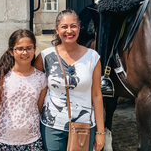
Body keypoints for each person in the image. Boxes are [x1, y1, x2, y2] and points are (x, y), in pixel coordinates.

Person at [34, 9, 105, 151]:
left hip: (83, 126)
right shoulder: (46, 56)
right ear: (57, 30)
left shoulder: (93, 57)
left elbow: (97, 95)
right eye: (64, 27)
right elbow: (33, 85)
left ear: (79, 28)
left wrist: (100, 131)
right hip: (52, 126)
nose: (69, 31)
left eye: (73, 26)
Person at [0, 29, 48, 151]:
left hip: (32, 141)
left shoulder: (41, 78)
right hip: (2, 140)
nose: (25, 52)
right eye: (20, 48)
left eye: (29, 48)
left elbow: (38, 109)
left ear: (34, 49)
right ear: (11, 52)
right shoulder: (1, 75)